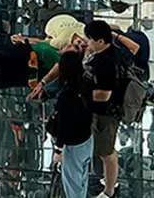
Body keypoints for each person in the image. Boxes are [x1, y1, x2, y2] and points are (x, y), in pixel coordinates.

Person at [83, 20, 125, 198]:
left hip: (104, 115)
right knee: (104, 151)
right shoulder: (111, 52)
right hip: (102, 113)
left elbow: (104, 94)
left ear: (101, 41)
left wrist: (82, 94)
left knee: (107, 153)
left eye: (90, 39)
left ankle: (109, 191)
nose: (87, 42)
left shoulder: (106, 63)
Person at [47, 48, 95, 198]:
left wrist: (58, 151)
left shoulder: (66, 97)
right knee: (81, 179)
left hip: (72, 146)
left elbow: (63, 127)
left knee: (73, 185)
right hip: (86, 140)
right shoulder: (87, 86)